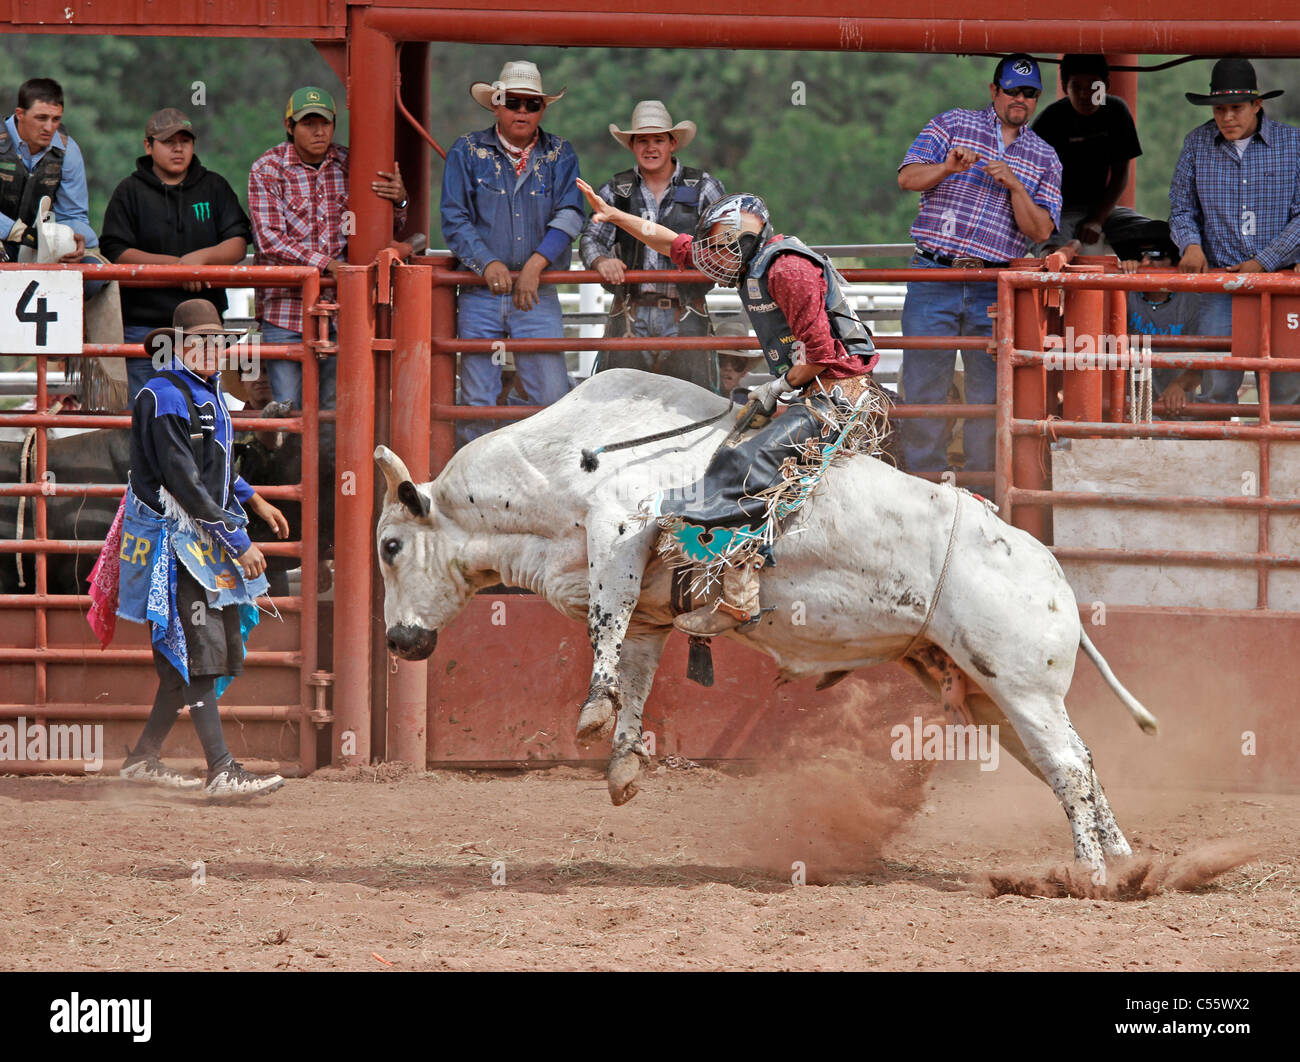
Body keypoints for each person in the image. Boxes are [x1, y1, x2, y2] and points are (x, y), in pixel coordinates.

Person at [578, 181, 881, 636]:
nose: (710, 256)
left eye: (719, 245)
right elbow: (671, 242)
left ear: (745, 237)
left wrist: (775, 387)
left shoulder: (787, 270)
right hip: (814, 391)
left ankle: (738, 600)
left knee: (746, 464)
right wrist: (616, 217)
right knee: (729, 448)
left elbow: (820, 355)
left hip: (840, 396)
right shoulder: (755, 265)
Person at [98, 300, 291, 797]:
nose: (210, 350)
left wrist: (254, 499)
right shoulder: (164, 397)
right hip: (173, 540)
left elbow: (213, 467)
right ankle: (221, 768)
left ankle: (143, 758)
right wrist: (239, 539)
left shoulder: (207, 394)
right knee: (196, 648)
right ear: (177, 345)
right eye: (199, 341)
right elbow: (184, 480)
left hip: (197, 537)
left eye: (217, 341)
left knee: (190, 656)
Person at [249, 85, 407, 575]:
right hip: (289, 313)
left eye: (325, 123)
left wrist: (399, 203)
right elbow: (269, 238)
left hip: (340, 315)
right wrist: (335, 267)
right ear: (290, 126)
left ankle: (331, 538)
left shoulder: (353, 164)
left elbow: (387, 224)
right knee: (288, 426)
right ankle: (291, 537)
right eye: (309, 123)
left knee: (340, 431)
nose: (319, 131)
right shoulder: (267, 169)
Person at [896, 53, 1062, 478]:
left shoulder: (1044, 157)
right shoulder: (951, 124)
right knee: (924, 388)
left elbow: (1041, 231)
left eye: (1030, 93)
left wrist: (1014, 185)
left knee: (988, 393)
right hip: (936, 272)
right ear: (994, 91)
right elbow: (908, 178)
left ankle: (981, 488)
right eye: (1012, 90)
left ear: (1037, 99)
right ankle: (923, 483)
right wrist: (947, 168)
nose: (1020, 99)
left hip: (993, 282)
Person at [440, 60, 585, 445]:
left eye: (531, 104)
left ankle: (545, 480)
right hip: (480, 292)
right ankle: (475, 490)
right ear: (496, 104)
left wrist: (536, 264)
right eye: (514, 103)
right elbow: (454, 217)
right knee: (477, 400)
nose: (522, 111)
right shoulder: (466, 151)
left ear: (542, 109)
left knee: (550, 396)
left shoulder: (560, 153)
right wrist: (486, 262)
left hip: (535, 291)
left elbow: (572, 211)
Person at [1171, 58, 1300, 409]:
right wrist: (1191, 244)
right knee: (1216, 384)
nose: (1227, 117)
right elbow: (1182, 208)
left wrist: (1263, 262)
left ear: (1257, 105)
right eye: (1220, 109)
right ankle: (1217, 455)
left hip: (1281, 283)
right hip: (1221, 282)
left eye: (1236, 108)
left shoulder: (1294, 144)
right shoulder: (1197, 144)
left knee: (1286, 387)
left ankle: (1284, 461)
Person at [100, 108, 252, 401]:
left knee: (202, 408)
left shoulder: (214, 187)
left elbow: (238, 242)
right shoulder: (129, 192)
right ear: (148, 145)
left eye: (185, 140)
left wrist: (201, 262)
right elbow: (116, 251)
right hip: (145, 327)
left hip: (204, 327)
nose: (179, 148)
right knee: (148, 409)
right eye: (169, 142)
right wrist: (180, 268)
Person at [579, 100, 726, 391]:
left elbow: (726, 243)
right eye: (642, 140)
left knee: (692, 403)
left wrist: (708, 263)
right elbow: (591, 238)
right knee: (621, 403)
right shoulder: (617, 191)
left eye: (658, 140)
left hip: (685, 310)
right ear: (632, 146)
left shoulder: (704, 187)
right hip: (631, 311)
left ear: (672, 143)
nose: (650, 148)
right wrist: (601, 261)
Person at [1032, 54, 1148, 253]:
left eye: (1094, 86)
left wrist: (1097, 220)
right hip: (1058, 210)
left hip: (1102, 207)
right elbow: (1031, 179)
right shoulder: (1050, 120)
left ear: (1106, 84)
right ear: (1064, 87)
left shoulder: (1117, 111)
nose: (1086, 94)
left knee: (1153, 233)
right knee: (1051, 252)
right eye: (1077, 87)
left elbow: (1120, 174)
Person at [0, 77, 103, 291]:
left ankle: (81, 325)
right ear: (20, 115)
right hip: (16, 240)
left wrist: (77, 241)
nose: (49, 127)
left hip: (41, 245)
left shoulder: (69, 151)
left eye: (56, 119)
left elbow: (73, 215)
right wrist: (22, 234)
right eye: (41, 118)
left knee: (95, 276)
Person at [1116, 223, 1203, 415]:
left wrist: (1179, 385)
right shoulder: (1122, 293)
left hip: (1176, 407)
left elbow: (1204, 365)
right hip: (1129, 409)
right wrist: (1122, 276)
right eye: (1140, 255)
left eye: (1155, 254)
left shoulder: (1192, 303)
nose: (1146, 261)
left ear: (1173, 261)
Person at [712, 317, 765, 403]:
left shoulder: (750, 402)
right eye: (721, 360)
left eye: (737, 363)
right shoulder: (697, 394)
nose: (728, 368)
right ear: (710, 363)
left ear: (744, 370)